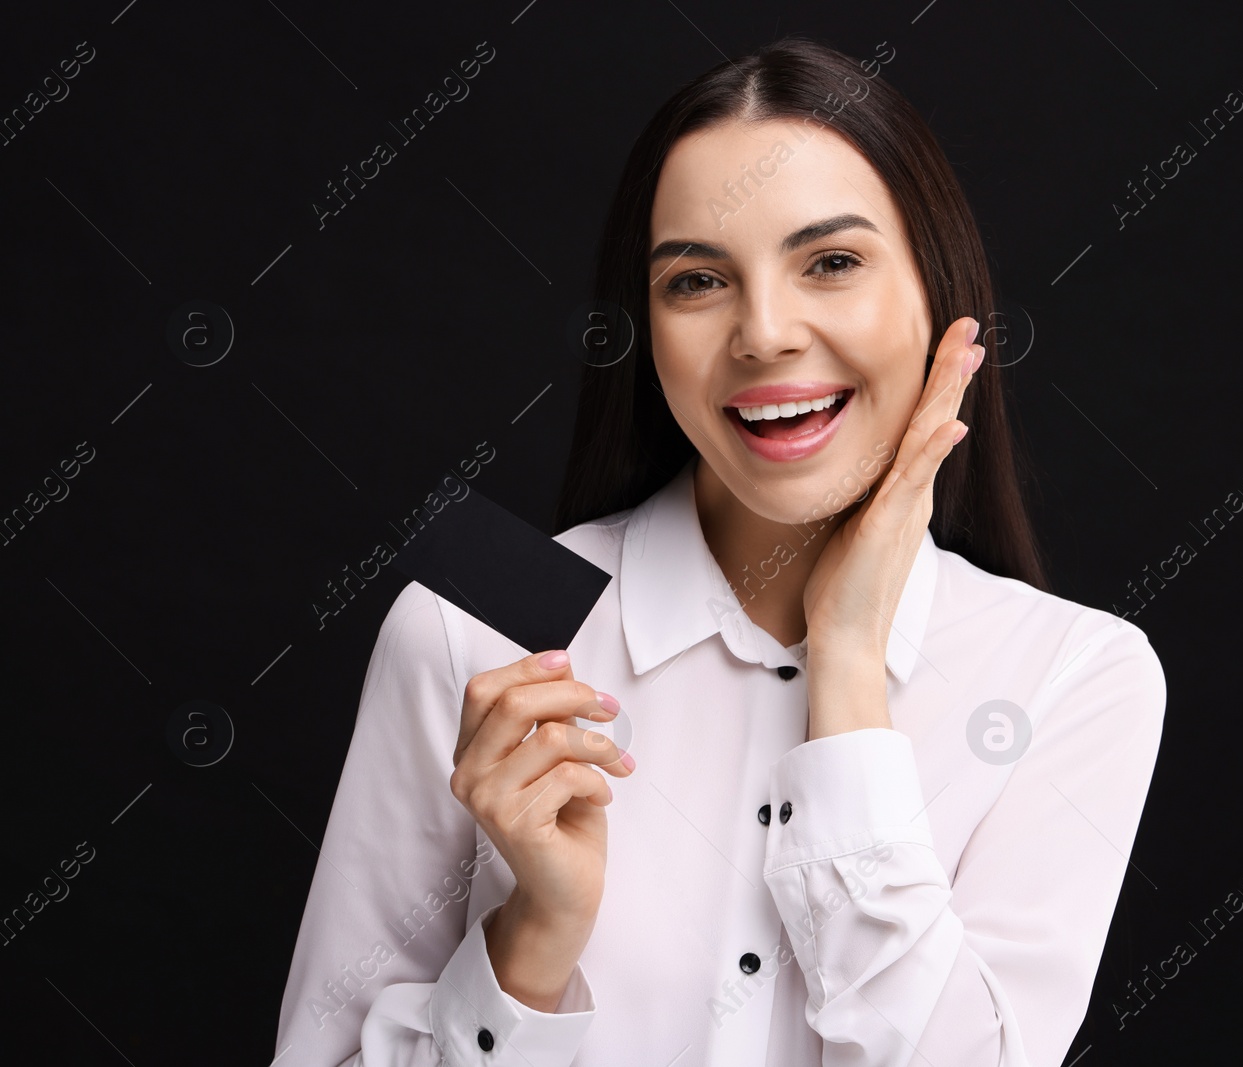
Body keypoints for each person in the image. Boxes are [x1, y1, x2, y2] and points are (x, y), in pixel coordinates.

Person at [273, 35, 1165, 1067]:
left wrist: (844, 669)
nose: (765, 333)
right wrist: (527, 953)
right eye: (697, 281)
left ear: (939, 295)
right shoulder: (475, 626)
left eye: (830, 262)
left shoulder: (1073, 674)